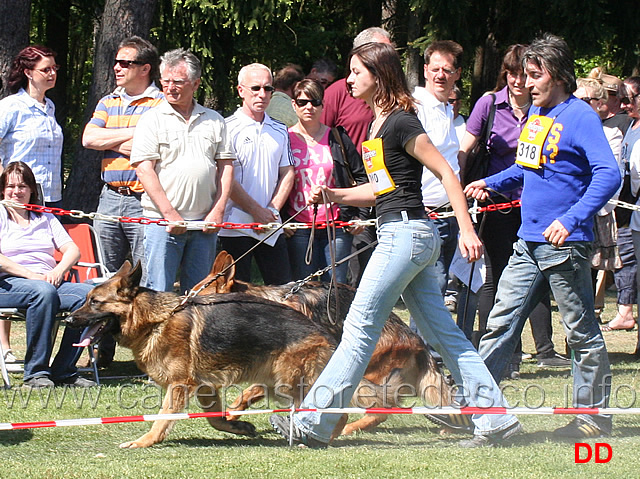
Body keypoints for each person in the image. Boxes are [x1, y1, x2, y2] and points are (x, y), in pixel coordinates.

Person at [269, 42, 521, 449]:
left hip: (405, 235)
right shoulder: (377, 126)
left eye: (355, 72)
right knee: (445, 335)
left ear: (378, 75)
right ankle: (497, 419)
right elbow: (382, 190)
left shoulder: (403, 122)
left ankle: (313, 422)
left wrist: (467, 231)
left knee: (358, 328)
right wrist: (335, 195)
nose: (348, 80)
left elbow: (446, 173)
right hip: (403, 233)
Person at [465, 34, 620, 438]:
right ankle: (481, 409)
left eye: (536, 76)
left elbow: (608, 174)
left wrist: (571, 220)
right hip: (528, 242)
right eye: (526, 76)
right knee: (499, 323)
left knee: (580, 331)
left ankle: (593, 416)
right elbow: (525, 168)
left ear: (558, 75)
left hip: (564, 245)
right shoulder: (537, 115)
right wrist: (489, 181)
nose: (528, 84)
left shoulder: (580, 116)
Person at [458, 45, 564, 376]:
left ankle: (543, 348)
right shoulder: (488, 104)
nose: (519, 80)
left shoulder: (544, 110)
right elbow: (465, 150)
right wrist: (468, 190)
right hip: (494, 204)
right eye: (513, 72)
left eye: (527, 74)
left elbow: (532, 163)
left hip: (533, 208)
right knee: (497, 277)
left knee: (537, 278)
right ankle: (504, 356)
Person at [81, 35, 164, 366]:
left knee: (143, 279)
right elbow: (89, 138)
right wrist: (134, 136)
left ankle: (149, 354)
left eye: (125, 63)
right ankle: (102, 352)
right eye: (116, 62)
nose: (117, 67)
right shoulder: (107, 101)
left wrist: (110, 142)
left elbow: (155, 148)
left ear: (144, 68)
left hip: (143, 201)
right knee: (107, 276)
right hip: (109, 198)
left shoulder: (160, 104)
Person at [130, 48, 234, 293]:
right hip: (161, 223)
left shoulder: (215, 120)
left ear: (195, 83)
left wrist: (218, 211)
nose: (170, 87)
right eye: (165, 81)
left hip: (204, 225)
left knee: (200, 296)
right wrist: (169, 214)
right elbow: (145, 170)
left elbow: (226, 168)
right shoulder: (151, 119)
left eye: (177, 81)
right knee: (157, 295)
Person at [0, 162, 95, 388]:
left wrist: (58, 270)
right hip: (9, 283)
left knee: (92, 296)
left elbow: (72, 250)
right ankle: (35, 374)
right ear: (2, 190)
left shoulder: (45, 217)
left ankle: (64, 371)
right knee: (43, 292)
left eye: (23, 186)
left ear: (32, 189)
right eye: (11, 186)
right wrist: (30, 275)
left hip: (48, 280)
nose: (17, 191)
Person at [0, 45, 65, 363]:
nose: (52, 73)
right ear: (28, 72)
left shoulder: (49, 107)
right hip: (14, 198)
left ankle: (44, 351)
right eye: (46, 69)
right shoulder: (11, 107)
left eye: (54, 68)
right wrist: (6, 186)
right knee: (11, 257)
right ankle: (5, 347)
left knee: (39, 260)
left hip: (48, 199)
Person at [320, 27, 392, 288]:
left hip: (389, 199)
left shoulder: (396, 105)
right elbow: (318, 139)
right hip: (353, 198)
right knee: (351, 278)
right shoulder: (339, 92)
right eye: (383, 52)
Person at [285, 79, 368, 283]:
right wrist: (280, 219)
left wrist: (360, 216)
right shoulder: (284, 138)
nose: (309, 107)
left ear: (323, 105)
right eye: (303, 102)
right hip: (299, 227)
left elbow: (360, 176)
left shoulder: (337, 137)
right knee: (304, 290)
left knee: (335, 288)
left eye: (315, 102)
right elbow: (274, 182)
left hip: (336, 225)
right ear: (294, 104)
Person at [220, 63, 294, 285]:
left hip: (270, 225)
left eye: (267, 88)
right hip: (234, 226)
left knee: (284, 290)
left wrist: (272, 210)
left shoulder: (280, 129)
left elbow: (288, 172)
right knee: (236, 295)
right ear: (241, 90)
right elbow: (225, 175)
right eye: (255, 88)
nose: (262, 94)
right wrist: (255, 211)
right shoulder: (226, 127)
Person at [574, 78, 624, 330]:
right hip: (566, 216)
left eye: (585, 100)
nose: (579, 105)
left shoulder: (611, 134)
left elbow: (608, 177)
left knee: (588, 278)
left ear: (599, 104)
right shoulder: (563, 127)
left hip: (594, 216)